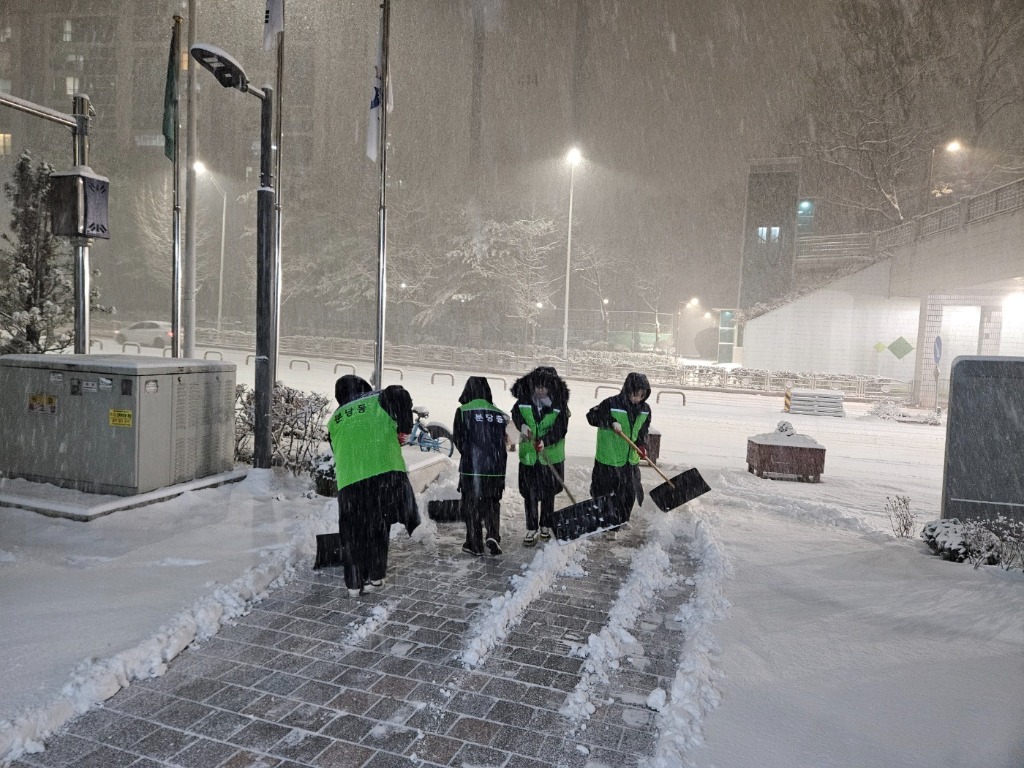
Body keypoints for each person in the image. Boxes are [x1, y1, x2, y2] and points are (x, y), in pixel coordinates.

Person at [327, 374, 418, 597]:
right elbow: (400, 393)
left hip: (350, 481)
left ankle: (353, 582)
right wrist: (404, 428)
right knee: (377, 525)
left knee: (352, 531)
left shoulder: (335, 419)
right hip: (382, 472)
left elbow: (337, 450)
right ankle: (375, 576)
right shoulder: (378, 398)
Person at [510, 366, 570, 546]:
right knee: (530, 494)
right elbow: (516, 416)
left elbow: (561, 428)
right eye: (537, 386)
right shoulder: (523, 402)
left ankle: (545, 525)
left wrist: (546, 440)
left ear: (552, 386)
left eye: (544, 386)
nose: (540, 390)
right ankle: (531, 528)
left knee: (548, 494)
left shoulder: (559, 405)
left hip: (551, 457)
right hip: (529, 457)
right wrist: (522, 426)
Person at [452, 376, 510, 556]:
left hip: (473, 469)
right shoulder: (499, 414)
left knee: (471, 504)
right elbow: (506, 441)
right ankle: (493, 534)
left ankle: (474, 543)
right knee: (492, 502)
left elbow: (459, 440)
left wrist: (471, 455)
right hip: (496, 469)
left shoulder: (463, 411)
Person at [587, 372, 652, 530]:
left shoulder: (645, 409)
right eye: (634, 394)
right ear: (627, 390)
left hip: (630, 459)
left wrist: (641, 445)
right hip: (609, 457)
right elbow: (591, 417)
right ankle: (606, 522)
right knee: (605, 492)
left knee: (629, 493)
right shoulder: (611, 403)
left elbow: (642, 431)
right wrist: (610, 422)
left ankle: (621, 520)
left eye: (641, 395)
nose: (637, 398)